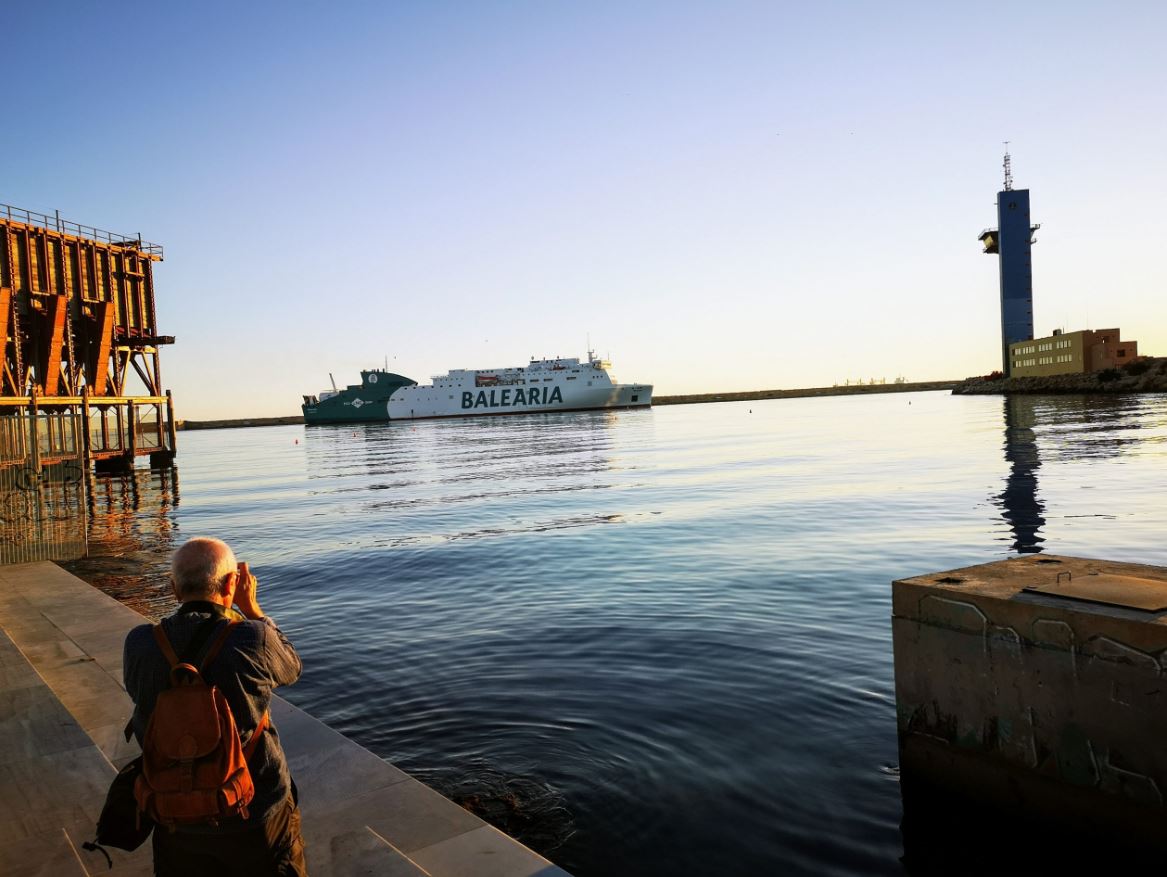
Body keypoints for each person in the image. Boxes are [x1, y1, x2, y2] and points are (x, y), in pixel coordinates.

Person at [123, 537, 307, 876]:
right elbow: (292, 668)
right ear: (232, 583)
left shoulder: (139, 643)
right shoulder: (253, 637)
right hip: (255, 809)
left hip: (173, 811)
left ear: (173, 588)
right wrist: (253, 610)